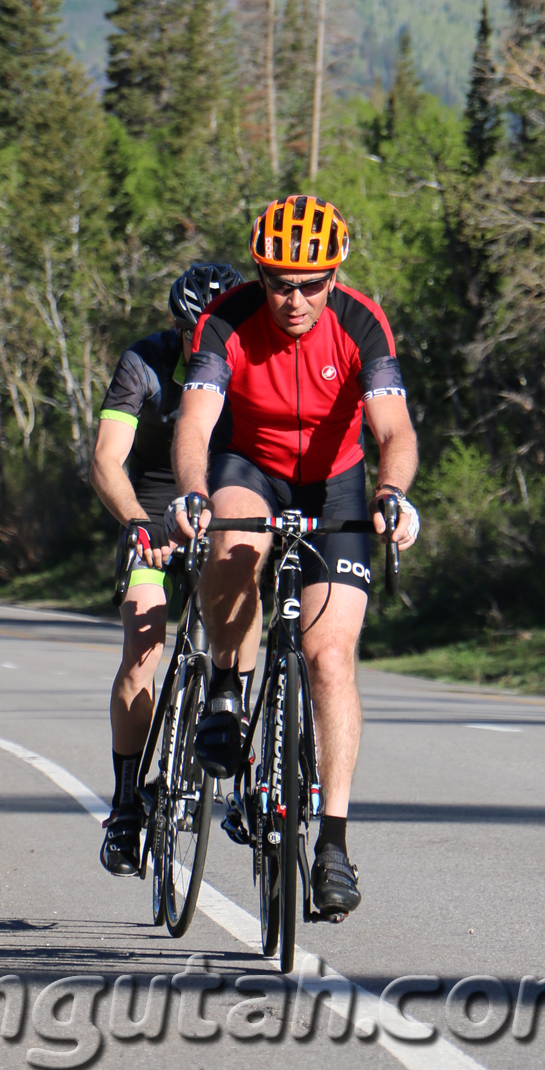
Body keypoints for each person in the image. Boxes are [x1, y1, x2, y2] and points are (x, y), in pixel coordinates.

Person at [168, 194, 420, 920]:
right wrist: (192, 492)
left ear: (335, 276)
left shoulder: (362, 322)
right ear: (259, 274)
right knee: (233, 538)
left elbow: (393, 429)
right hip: (253, 467)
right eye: (282, 282)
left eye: (313, 283)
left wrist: (394, 493)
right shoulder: (225, 321)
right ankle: (224, 688)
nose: (297, 299)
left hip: (338, 482)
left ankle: (333, 844)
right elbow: (196, 422)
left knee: (330, 658)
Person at [90, 260, 243, 876]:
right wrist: (136, 522)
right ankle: (127, 808)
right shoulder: (144, 364)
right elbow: (106, 458)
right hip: (154, 510)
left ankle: (251, 782)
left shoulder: (251, 363)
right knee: (143, 647)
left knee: (245, 630)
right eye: (191, 331)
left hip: (224, 503)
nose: (200, 343)